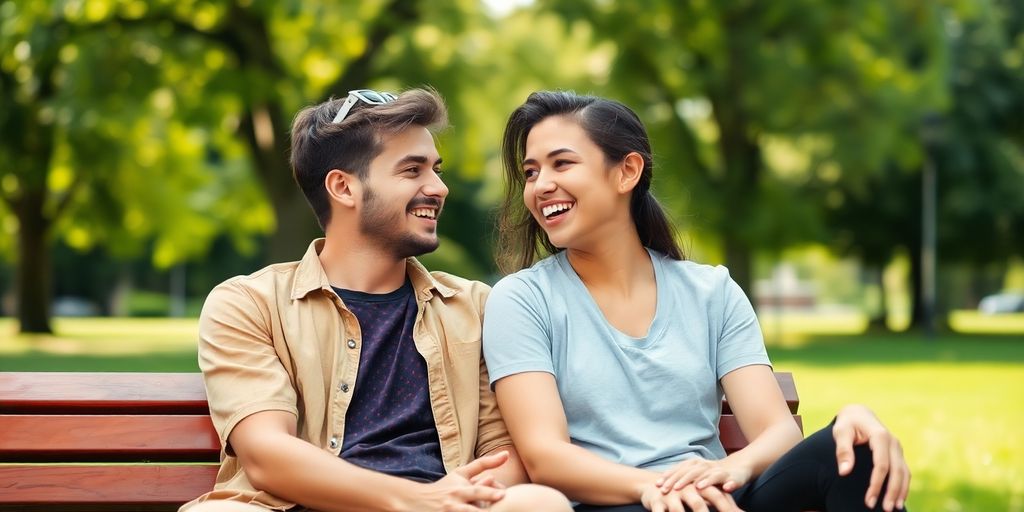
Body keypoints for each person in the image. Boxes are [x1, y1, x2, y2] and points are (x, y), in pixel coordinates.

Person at [482, 91, 911, 512]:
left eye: (562, 164)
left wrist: (731, 470)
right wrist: (658, 487)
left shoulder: (711, 292)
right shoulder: (522, 301)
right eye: (532, 172)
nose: (541, 186)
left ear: (626, 172)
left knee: (859, 449)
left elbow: (777, 431)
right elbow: (546, 458)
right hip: (618, 501)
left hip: (714, 497)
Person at [181, 88, 571, 512]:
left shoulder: (474, 306)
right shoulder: (249, 304)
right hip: (301, 505)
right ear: (343, 187)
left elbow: (504, 450)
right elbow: (266, 454)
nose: (438, 187)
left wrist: (454, 499)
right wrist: (418, 499)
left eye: (436, 170)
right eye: (412, 170)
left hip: (446, 509)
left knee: (538, 503)